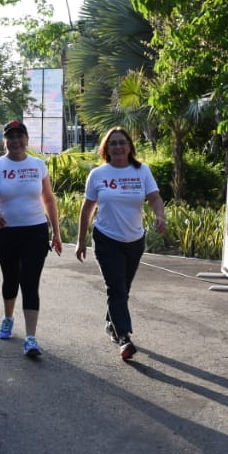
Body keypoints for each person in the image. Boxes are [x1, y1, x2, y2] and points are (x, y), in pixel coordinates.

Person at [75, 127, 167, 362]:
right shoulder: (98, 174)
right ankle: (124, 337)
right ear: (106, 148)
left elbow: (155, 198)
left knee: (123, 288)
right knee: (116, 288)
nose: (118, 147)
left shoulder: (141, 170)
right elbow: (87, 208)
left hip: (134, 240)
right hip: (106, 239)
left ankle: (111, 324)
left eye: (122, 142)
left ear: (129, 147)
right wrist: (81, 241)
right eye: (113, 143)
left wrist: (160, 216)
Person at [0, 120, 62, 358]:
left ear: (27, 139)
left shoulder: (38, 165)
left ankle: (31, 338)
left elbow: (49, 199)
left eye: (20, 136)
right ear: (5, 141)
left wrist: (56, 232)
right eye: (11, 137)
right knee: (11, 278)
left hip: (35, 231)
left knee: (30, 281)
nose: (16, 141)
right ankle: (8, 318)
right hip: (6, 232)